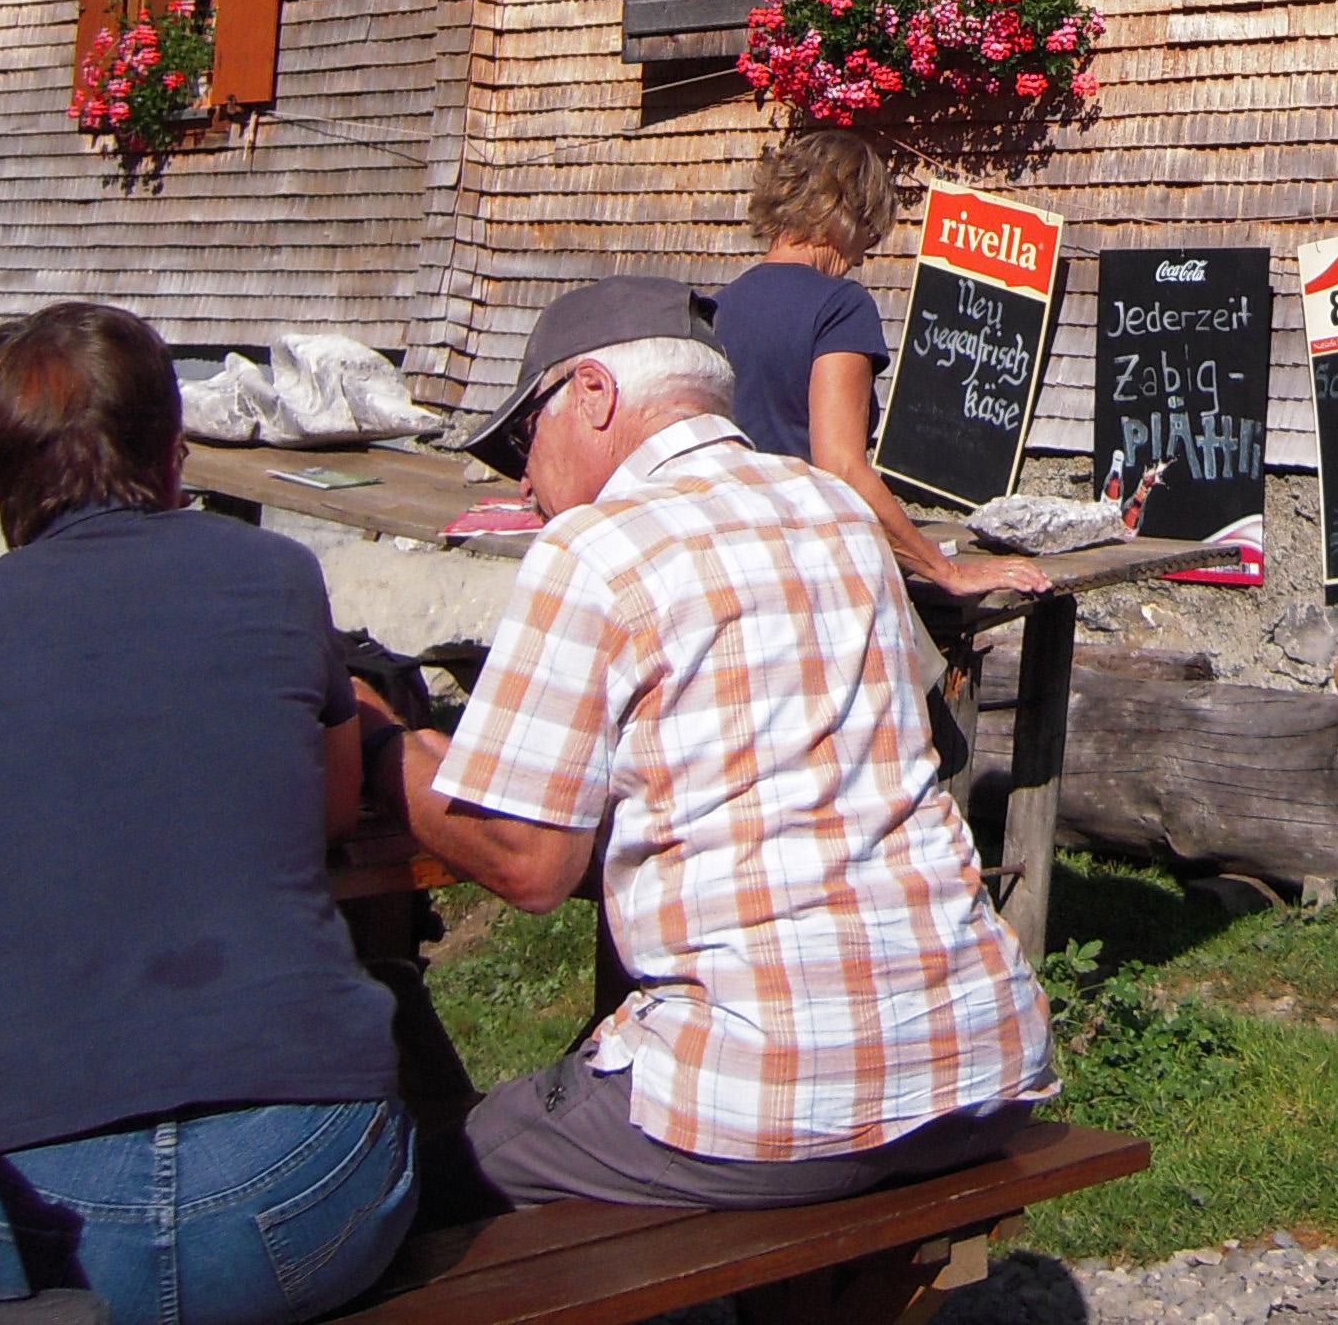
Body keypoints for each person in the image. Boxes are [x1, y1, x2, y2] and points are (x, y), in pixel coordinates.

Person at [406, 277, 1053, 1207]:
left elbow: (529, 865)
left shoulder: (594, 547)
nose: (522, 478)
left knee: (407, 1183)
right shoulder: (836, 511)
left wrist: (382, 747)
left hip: (774, 1100)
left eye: (524, 437)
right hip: (983, 1060)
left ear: (594, 393)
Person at [0, 304, 414, 1325]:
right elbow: (328, 805)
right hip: (300, 1177)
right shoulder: (274, 575)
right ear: (172, 446)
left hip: (31, 1203)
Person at [714, 131, 1047, 599]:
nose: (864, 254)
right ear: (841, 214)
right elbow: (841, 467)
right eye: (869, 231)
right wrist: (946, 571)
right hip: (806, 568)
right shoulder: (839, 306)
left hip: (730, 558)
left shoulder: (719, 306)